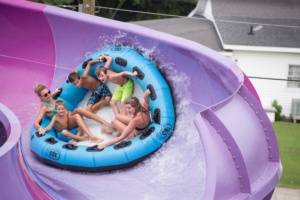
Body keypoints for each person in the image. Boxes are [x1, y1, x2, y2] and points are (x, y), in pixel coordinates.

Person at [38, 100, 104, 143]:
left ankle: (79, 139)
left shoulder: (67, 113)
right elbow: (50, 126)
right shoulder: (55, 117)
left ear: (65, 108)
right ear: (56, 110)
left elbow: (72, 118)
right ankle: (81, 138)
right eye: (59, 109)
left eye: (63, 109)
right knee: (64, 132)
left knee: (80, 124)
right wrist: (44, 130)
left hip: (69, 132)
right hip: (61, 135)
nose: (61, 111)